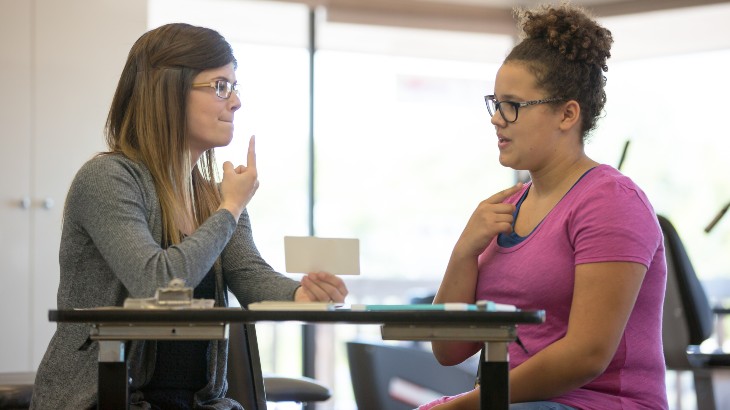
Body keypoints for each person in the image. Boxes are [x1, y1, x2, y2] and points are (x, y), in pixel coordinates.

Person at [30, 23, 347, 410]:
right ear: (168, 93)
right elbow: (156, 281)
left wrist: (303, 294)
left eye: (234, 86)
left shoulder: (214, 194)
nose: (235, 102)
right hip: (109, 400)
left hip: (197, 403)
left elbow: (248, 275)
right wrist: (229, 209)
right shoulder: (108, 179)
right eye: (219, 86)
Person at [420, 4, 667, 410]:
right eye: (495, 103)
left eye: (513, 105)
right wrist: (464, 250)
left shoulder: (610, 202)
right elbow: (449, 349)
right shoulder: (505, 208)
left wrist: (468, 404)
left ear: (567, 114)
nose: (497, 119)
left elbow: (586, 355)